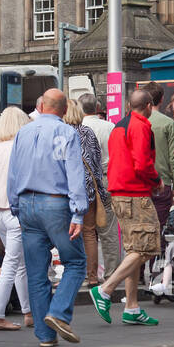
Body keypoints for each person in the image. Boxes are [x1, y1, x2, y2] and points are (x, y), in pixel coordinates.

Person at [9, 90, 87, 346]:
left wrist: (15, 206)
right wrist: (78, 212)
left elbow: (13, 172)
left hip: (26, 203)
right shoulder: (67, 133)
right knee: (75, 262)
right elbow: (75, 175)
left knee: (36, 272)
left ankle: (45, 335)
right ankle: (59, 313)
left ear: (40, 106)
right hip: (55, 203)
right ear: (64, 110)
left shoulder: (23, 132)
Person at [90, 88, 161, 327]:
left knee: (133, 249)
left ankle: (132, 307)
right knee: (147, 248)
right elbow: (142, 164)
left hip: (118, 192)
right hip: (135, 193)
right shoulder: (141, 125)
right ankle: (106, 289)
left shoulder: (119, 126)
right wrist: (157, 181)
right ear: (149, 106)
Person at [0, 107, 33, 331]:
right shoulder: (23, 147)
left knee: (16, 261)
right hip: (16, 210)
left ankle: (28, 311)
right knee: (13, 263)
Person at [65, 96, 111, 288]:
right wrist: (100, 190)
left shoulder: (62, 133)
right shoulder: (88, 132)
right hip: (89, 190)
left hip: (66, 190)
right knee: (90, 233)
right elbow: (96, 164)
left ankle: (72, 275)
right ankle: (92, 277)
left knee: (66, 233)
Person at [80, 94, 119, 284]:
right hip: (107, 179)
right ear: (97, 107)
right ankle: (112, 274)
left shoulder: (79, 129)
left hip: (85, 182)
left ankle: (91, 275)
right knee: (108, 230)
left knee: (88, 231)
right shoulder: (110, 127)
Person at [142, 81, 174, 232]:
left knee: (141, 230)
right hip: (162, 182)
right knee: (157, 231)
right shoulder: (167, 123)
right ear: (161, 99)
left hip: (138, 183)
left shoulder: (132, 122)